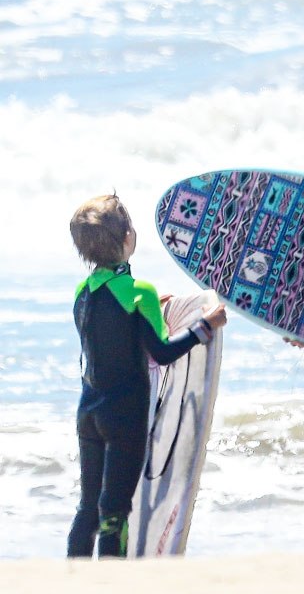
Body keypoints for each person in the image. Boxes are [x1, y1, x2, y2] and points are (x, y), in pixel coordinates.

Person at [67, 194, 227, 559]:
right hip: (125, 416)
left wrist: (151, 312)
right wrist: (205, 325)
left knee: (88, 508)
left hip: (88, 412)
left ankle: (70, 577)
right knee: (114, 513)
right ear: (127, 238)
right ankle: (111, 583)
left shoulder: (82, 292)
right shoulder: (141, 293)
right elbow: (162, 353)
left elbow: (110, 339)